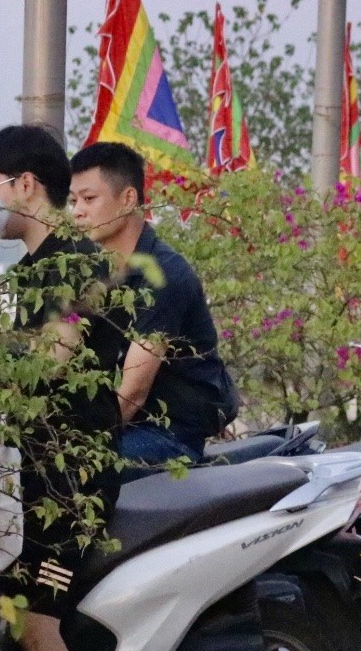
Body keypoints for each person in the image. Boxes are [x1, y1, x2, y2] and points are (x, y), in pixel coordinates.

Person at [0, 125, 131, 651]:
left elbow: (51, 362)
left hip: (73, 478)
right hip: (35, 466)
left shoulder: (73, 264)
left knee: (39, 619)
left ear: (25, 185)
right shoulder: (40, 266)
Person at [67, 142, 236, 471]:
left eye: (89, 199)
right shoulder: (99, 274)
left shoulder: (163, 275)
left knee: (67, 473)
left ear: (128, 199)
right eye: (73, 201)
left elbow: (132, 393)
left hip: (167, 434)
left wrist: (75, 446)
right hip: (124, 428)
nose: (77, 211)